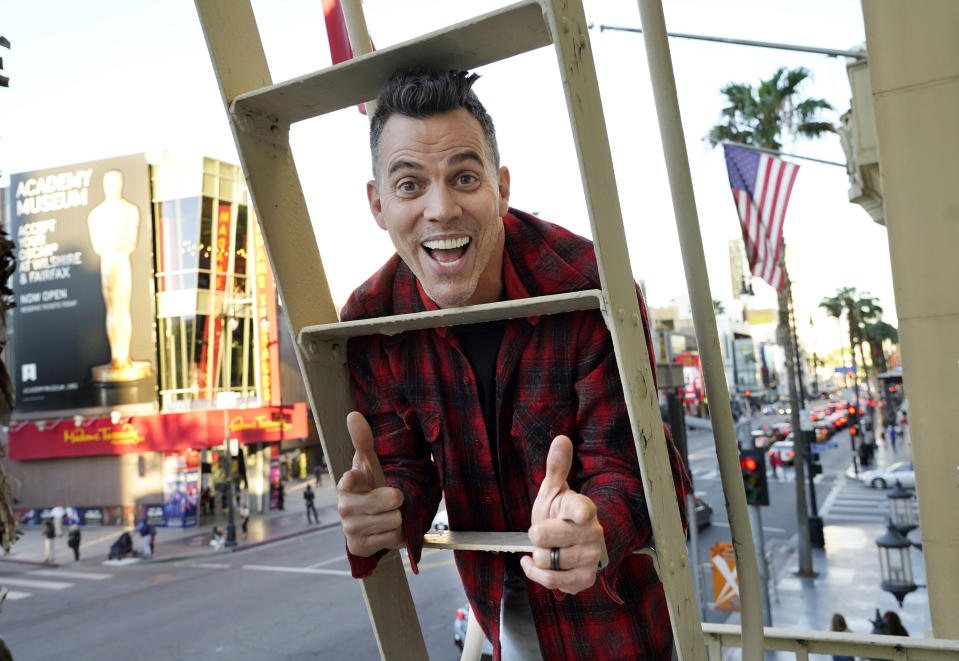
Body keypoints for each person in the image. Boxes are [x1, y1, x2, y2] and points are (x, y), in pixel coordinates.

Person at [335, 69, 690, 661]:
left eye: (464, 178)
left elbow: (631, 466)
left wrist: (593, 528)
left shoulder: (589, 289)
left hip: (619, 623)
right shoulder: (373, 322)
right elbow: (404, 470)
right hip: (501, 618)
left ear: (500, 187)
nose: (441, 209)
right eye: (409, 185)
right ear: (378, 203)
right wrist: (385, 508)